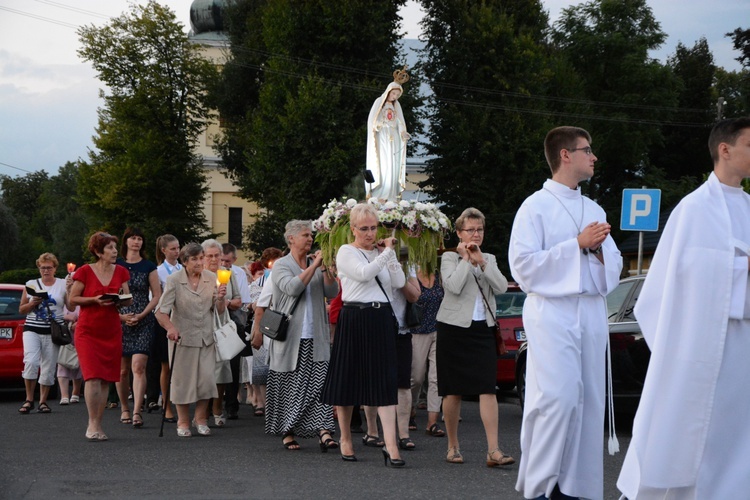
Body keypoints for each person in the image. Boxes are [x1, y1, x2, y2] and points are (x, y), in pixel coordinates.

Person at [617, 117, 750, 499]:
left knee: (736, 435)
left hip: (742, 346)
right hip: (699, 347)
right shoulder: (693, 210)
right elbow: (675, 278)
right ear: (725, 150)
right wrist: (740, 267)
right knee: (693, 437)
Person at [509, 126, 622, 499]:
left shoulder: (593, 208)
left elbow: (615, 261)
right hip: (552, 312)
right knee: (556, 398)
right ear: (565, 155)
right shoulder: (534, 206)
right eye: (587, 150)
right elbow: (522, 267)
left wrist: (598, 251)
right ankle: (541, 486)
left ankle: (576, 488)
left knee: (587, 400)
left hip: (589, 312)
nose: (594, 157)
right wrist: (576, 245)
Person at [320, 202, 406, 467]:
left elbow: (400, 283)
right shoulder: (346, 251)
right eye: (364, 229)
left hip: (380, 318)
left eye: (373, 228)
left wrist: (389, 258)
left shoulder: (381, 253)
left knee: (384, 382)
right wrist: (386, 253)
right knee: (347, 379)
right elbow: (364, 275)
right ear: (353, 229)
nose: (370, 233)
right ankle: (345, 437)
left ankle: (391, 446)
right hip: (355, 317)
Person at [436, 208, 514, 467]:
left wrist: (481, 261)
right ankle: (452, 446)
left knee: (487, 388)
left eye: (479, 229)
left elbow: (502, 287)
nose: (476, 234)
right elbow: (453, 287)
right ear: (459, 233)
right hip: (454, 329)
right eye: (470, 229)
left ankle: (493, 450)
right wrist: (465, 261)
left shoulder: (488, 256)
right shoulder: (449, 257)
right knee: (452, 391)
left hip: (483, 329)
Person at [263, 220, 339, 451]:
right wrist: (315, 265)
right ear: (291, 239)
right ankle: (288, 431)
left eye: (310, 235)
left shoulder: (314, 264)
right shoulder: (281, 265)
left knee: (320, 385)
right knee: (289, 386)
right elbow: (293, 288)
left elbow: (332, 292)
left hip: (316, 337)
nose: (310, 238)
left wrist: (325, 270)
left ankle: (323, 430)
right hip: (290, 338)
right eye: (305, 235)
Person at [155, 242, 227, 438]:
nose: (199, 262)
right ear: (185, 262)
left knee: (206, 380)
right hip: (182, 338)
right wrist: (170, 328)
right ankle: (183, 421)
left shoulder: (212, 278)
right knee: (182, 382)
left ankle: (201, 419)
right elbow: (160, 312)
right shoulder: (174, 280)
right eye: (194, 259)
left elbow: (219, 311)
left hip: (206, 337)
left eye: (201, 258)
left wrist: (221, 298)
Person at [69, 232, 133, 440]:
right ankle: (92, 424)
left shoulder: (121, 271)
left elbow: (127, 299)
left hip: (111, 329)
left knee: (106, 379)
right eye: (110, 248)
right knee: (92, 376)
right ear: (98, 251)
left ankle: (99, 423)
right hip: (88, 331)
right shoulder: (85, 271)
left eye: (115, 248)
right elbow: (73, 299)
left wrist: (120, 301)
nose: (115, 251)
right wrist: (94, 300)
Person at [115, 227, 160, 428]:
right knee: (122, 370)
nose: (136, 242)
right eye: (133, 238)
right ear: (126, 241)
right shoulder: (116, 265)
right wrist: (121, 316)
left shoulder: (149, 266)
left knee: (138, 367)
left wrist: (143, 314)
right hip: (120, 318)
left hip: (143, 317)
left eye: (140, 239)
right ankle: (124, 406)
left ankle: (136, 411)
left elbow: (157, 294)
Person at [18, 253, 68, 415]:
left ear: (55, 268)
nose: (46, 271)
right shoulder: (31, 284)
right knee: (31, 362)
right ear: (39, 268)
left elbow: (72, 307)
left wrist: (72, 288)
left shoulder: (62, 284)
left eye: (49, 267)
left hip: (53, 331)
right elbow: (21, 309)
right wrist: (33, 303)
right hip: (32, 328)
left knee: (48, 366)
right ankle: (29, 399)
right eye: (43, 267)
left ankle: (43, 402)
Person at [202, 239, 241, 427]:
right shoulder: (199, 275)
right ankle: (204, 409)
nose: (214, 259)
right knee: (203, 369)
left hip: (222, 325)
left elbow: (238, 300)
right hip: (203, 324)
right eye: (209, 256)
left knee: (222, 368)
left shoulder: (226, 274)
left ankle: (218, 408)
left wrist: (225, 300)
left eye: (217, 255)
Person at [145, 234, 180, 422]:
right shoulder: (158, 271)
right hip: (164, 319)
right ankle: (166, 405)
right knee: (165, 365)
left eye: (178, 247)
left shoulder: (184, 268)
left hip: (182, 318)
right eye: (173, 248)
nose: (177, 251)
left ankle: (182, 402)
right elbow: (155, 297)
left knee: (182, 366)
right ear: (164, 250)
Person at [365, 68, 411, 201]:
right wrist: (379, 125)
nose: (395, 96)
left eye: (397, 95)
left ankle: (392, 194)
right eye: (393, 93)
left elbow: (400, 122)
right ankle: (381, 193)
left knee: (393, 164)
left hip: (394, 138)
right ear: (389, 91)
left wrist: (403, 133)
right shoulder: (379, 103)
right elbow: (372, 121)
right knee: (384, 163)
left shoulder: (397, 106)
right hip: (382, 137)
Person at [410, 267, 445, 438]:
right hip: (417, 331)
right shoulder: (410, 273)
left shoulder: (439, 276)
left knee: (435, 378)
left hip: (438, 330)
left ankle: (432, 422)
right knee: (416, 377)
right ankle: (410, 408)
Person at [220, 242, 252, 420]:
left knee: (233, 364)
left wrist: (227, 303)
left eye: (227, 260)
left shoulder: (238, 273)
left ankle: (232, 404)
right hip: (215, 321)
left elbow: (241, 301)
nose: (224, 264)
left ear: (234, 259)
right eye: (221, 260)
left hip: (233, 321)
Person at [57, 304, 82, 405]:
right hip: (64, 334)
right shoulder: (62, 300)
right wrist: (66, 317)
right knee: (62, 361)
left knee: (78, 363)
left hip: (81, 333)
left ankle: (76, 392)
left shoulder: (82, 300)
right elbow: (54, 313)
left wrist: (79, 323)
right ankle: (64, 395)